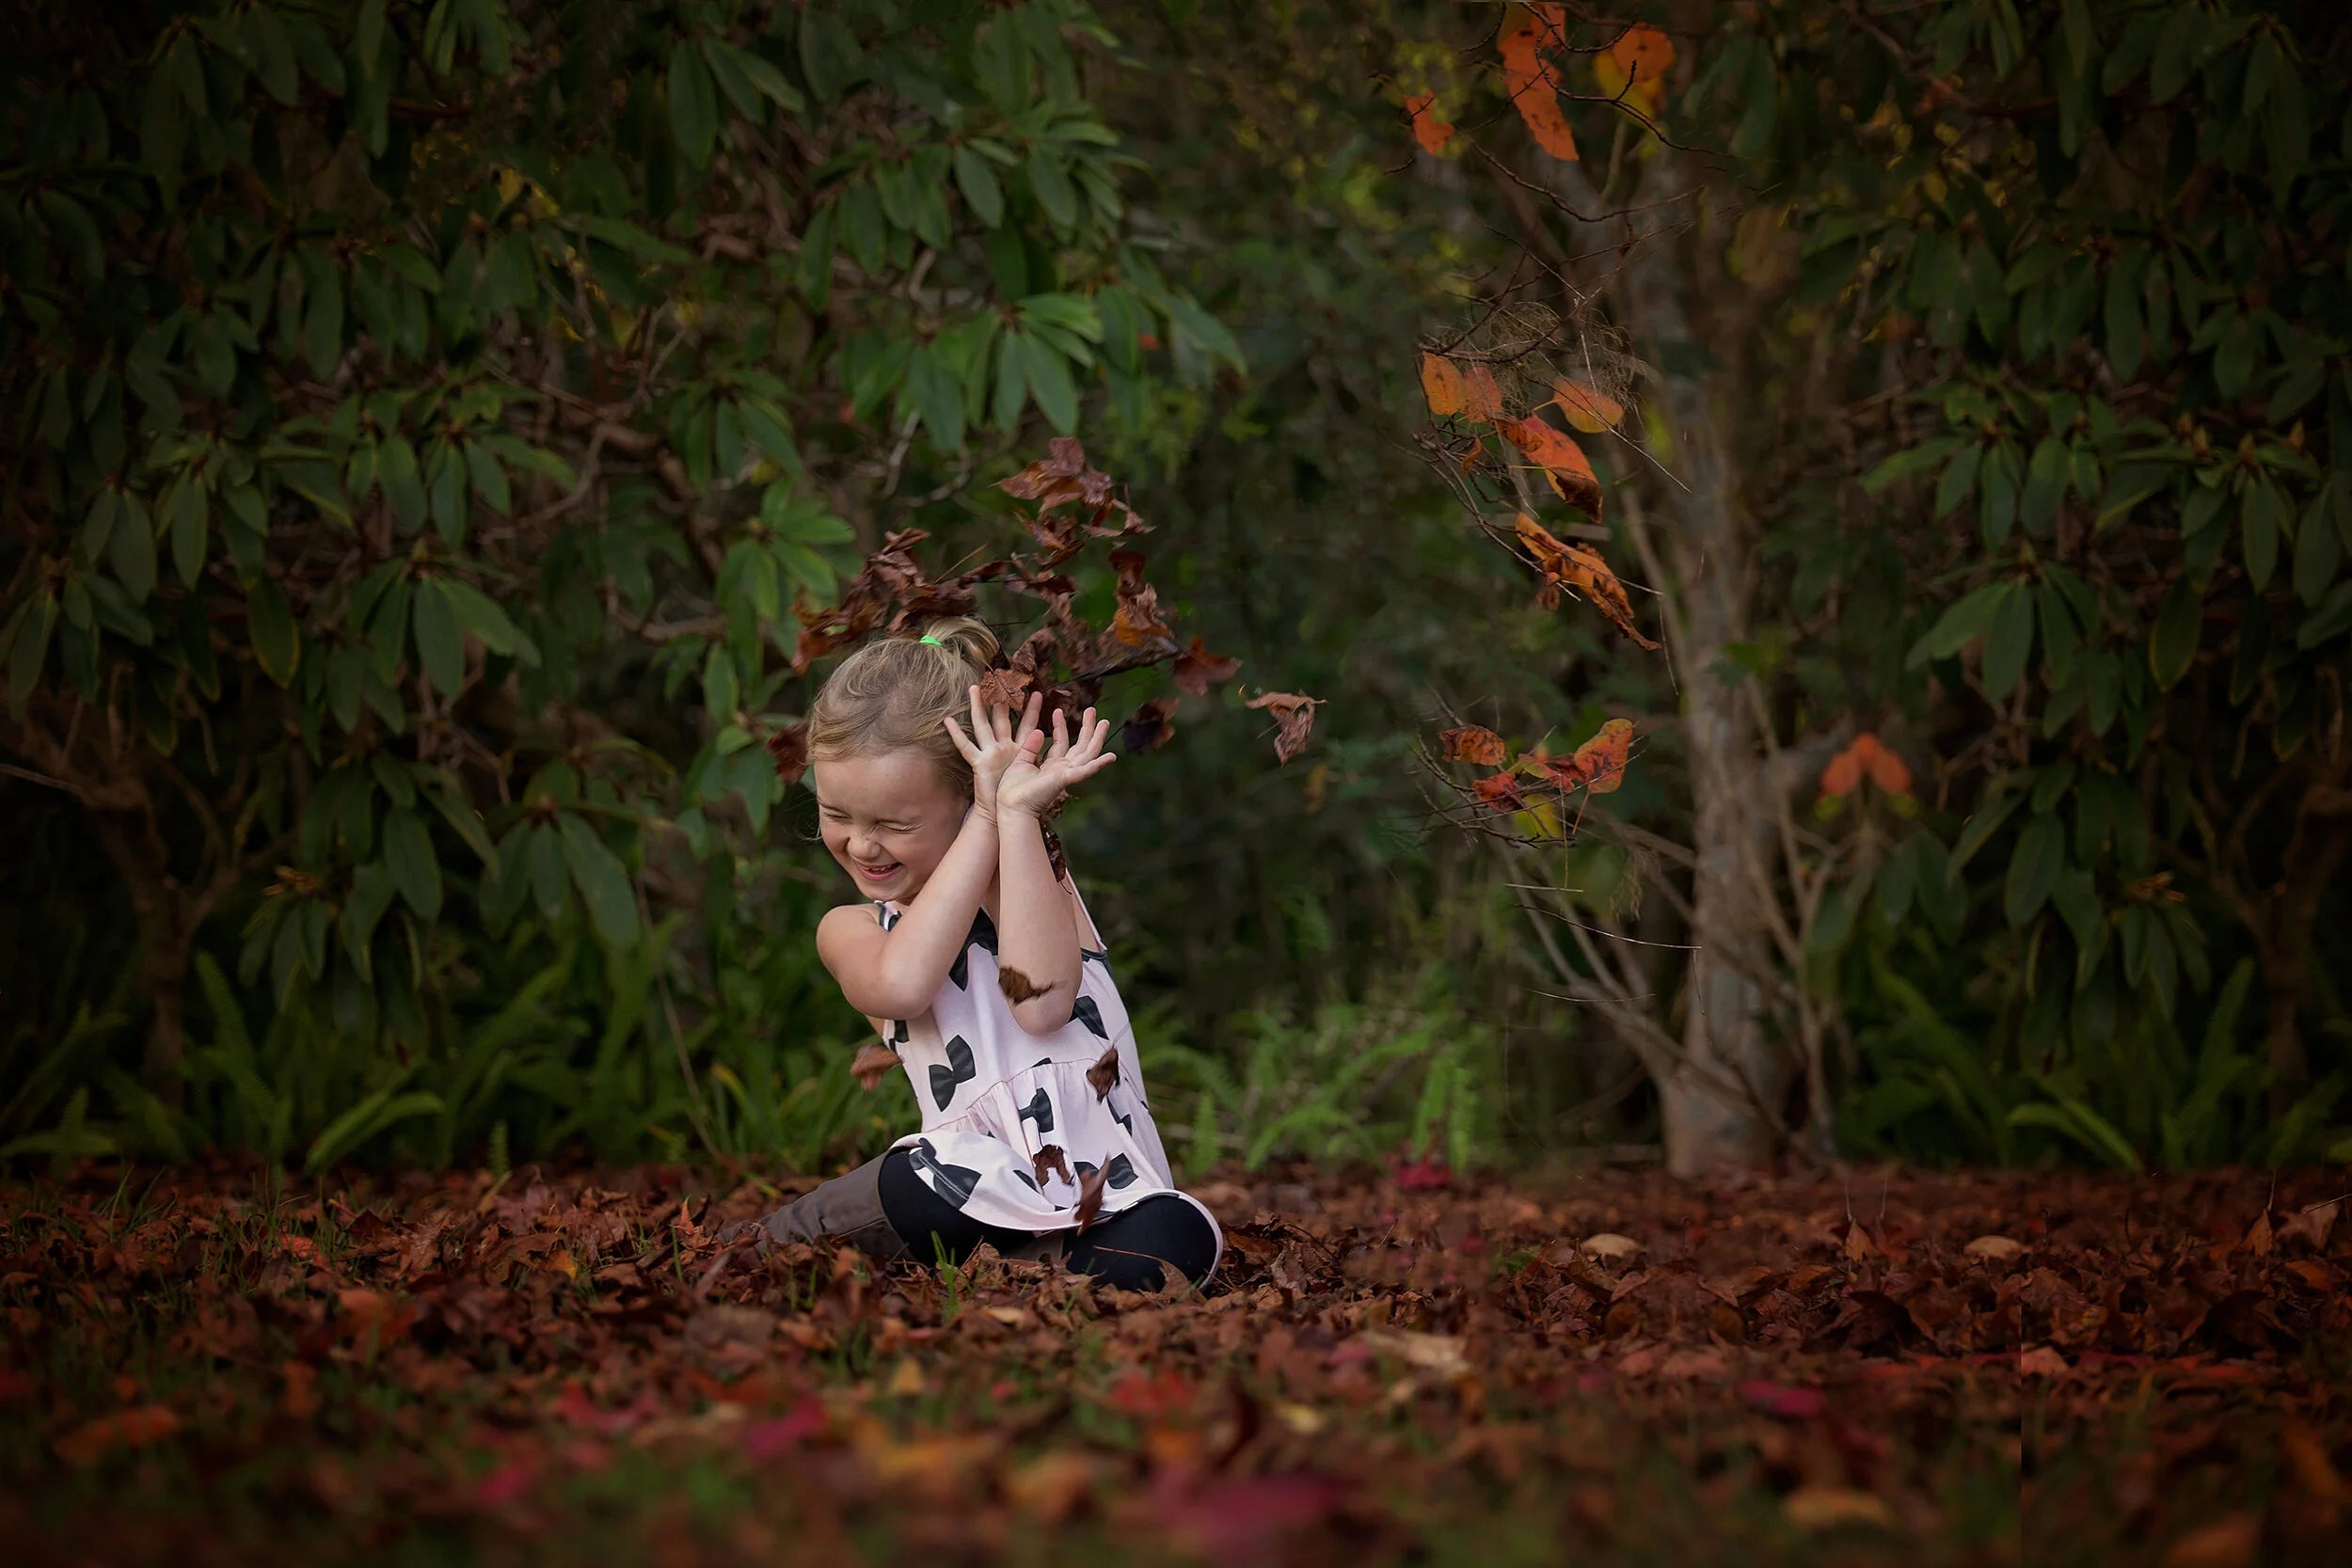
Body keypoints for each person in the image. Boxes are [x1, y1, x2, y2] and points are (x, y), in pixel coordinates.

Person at [728, 618, 1223, 1291]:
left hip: (1101, 1196)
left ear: (965, 792)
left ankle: (1031, 1269)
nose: (862, 844)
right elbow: (903, 984)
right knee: (925, 1175)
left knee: (1179, 1234)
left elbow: (1042, 1005)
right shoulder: (853, 927)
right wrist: (985, 819)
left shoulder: (1032, 878)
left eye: (895, 824)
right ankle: (760, 1246)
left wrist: (1012, 816)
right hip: (960, 1188)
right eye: (838, 815)